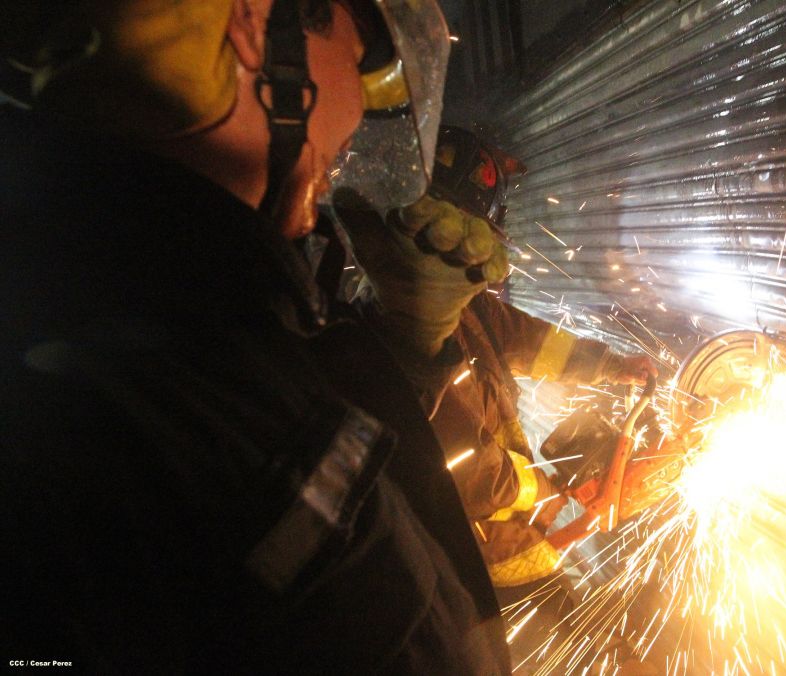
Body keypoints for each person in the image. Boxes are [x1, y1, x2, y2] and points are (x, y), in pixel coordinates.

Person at [0, 1, 509, 673]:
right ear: (252, 23)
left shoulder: (177, 300)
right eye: (358, 62)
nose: (357, 113)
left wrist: (407, 345)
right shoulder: (125, 380)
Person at [330, 127, 657, 652]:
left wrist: (614, 366)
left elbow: (533, 341)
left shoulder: (470, 308)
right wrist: (550, 492)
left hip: (514, 547)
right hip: (470, 564)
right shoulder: (398, 339)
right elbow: (468, 472)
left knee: (591, 641)